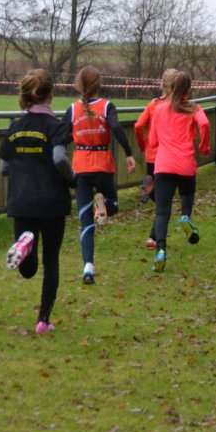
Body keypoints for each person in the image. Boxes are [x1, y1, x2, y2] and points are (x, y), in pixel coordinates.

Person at [0, 69, 76, 334]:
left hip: (22, 201)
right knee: (51, 260)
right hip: (52, 202)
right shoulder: (57, 127)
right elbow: (59, 158)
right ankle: (43, 320)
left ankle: (25, 243)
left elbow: (3, 168)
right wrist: (72, 178)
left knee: (28, 270)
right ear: (51, 93)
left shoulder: (15, 128)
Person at [64, 65, 136, 285]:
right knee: (113, 207)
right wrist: (129, 153)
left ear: (79, 84)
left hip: (80, 168)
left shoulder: (72, 109)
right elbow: (117, 128)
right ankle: (102, 204)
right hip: (102, 165)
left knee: (86, 222)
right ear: (99, 84)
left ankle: (88, 266)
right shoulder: (106, 106)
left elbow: (63, 137)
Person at [147, 71, 211, 273]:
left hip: (164, 166)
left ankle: (161, 251)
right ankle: (185, 217)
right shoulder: (194, 108)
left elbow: (152, 141)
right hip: (185, 164)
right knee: (186, 196)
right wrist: (204, 146)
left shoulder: (159, 109)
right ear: (189, 90)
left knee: (162, 212)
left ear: (171, 88)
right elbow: (205, 124)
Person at [134, 68, 178, 249]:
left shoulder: (153, 104)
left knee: (159, 194)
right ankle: (153, 238)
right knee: (165, 200)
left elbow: (138, 125)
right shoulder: (177, 106)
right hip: (168, 155)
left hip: (152, 154)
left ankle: (149, 184)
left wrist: (142, 145)